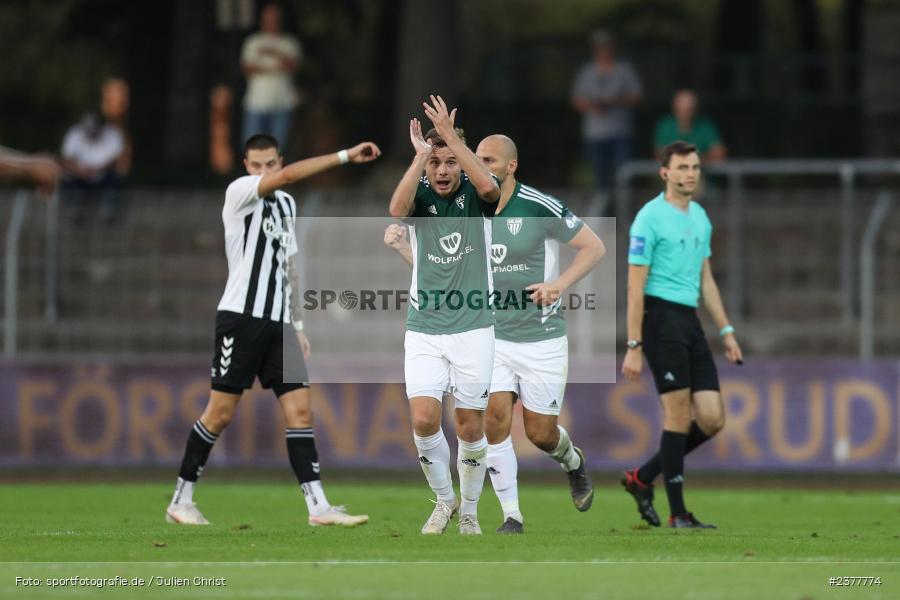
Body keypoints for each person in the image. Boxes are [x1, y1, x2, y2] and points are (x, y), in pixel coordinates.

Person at [385, 134, 605, 534]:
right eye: (478, 158)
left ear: (510, 166)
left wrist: (559, 285)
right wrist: (405, 251)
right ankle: (511, 515)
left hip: (540, 335)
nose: (480, 165)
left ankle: (572, 461)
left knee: (540, 433)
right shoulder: (465, 202)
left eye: (487, 159)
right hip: (490, 332)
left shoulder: (535, 205)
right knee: (494, 420)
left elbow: (593, 246)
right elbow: (444, 269)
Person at [166, 134, 381, 527]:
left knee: (301, 410)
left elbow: (289, 264)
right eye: (256, 165)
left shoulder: (287, 204)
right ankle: (181, 499)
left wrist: (297, 324)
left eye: (270, 164)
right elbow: (288, 178)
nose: (263, 171)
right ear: (245, 166)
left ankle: (318, 508)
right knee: (220, 413)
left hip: (279, 323)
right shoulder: (239, 193)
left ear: (279, 160)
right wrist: (345, 156)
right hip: (240, 318)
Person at [388, 95, 500, 535]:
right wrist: (420, 156)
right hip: (425, 328)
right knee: (422, 419)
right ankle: (444, 500)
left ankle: (469, 510)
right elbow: (396, 210)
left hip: (474, 327)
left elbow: (491, 189)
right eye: (436, 162)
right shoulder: (420, 191)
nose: (442, 170)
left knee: (470, 426)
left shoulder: (476, 192)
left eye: (450, 162)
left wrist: (453, 138)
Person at [621, 141, 743, 529]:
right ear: (665, 173)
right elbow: (634, 287)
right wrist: (634, 344)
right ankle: (679, 513)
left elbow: (706, 279)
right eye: (683, 167)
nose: (690, 174)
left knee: (712, 418)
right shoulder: (649, 218)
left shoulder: (700, 217)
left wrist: (726, 330)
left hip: (689, 321)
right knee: (677, 415)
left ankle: (642, 478)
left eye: (695, 167)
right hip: (660, 319)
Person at [571, 30, 643, 202]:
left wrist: (615, 101)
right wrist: (592, 106)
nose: (603, 50)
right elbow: (576, 99)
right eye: (599, 47)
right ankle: (604, 212)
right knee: (599, 178)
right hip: (595, 134)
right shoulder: (586, 71)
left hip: (620, 132)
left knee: (623, 175)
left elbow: (637, 97)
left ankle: (623, 209)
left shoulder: (624, 70)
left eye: (606, 46)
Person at [241, 3, 302, 149]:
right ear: (262, 19)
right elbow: (247, 68)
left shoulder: (289, 43)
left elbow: (293, 67)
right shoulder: (253, 42)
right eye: (268, 18)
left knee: (278, 148)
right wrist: (276, 68)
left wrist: (272, 53)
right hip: (256, 103)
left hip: (283, 103)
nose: (271, 21)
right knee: (252, 147)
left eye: (274, 18)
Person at [60, 111, 126, 223]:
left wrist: (97, 170)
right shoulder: (74, 133)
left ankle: (109, 211)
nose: (91, 134)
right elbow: (67, 159)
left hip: (103, 174)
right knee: (66, 178)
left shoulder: (112, 133)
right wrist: (80, 171)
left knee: (116, 178)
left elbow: (116, 159)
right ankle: (73, 210)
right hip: (79, 175)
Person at [654, 89, 726, 163]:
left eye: (689, 107)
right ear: (674, 108)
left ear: (695, 108)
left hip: (701, 169)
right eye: (682, 108)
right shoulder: (665, 125)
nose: (686, 110)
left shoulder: (705, 125)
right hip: (673, 170)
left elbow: (719, 153)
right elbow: (660, 153)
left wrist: (697, 160)